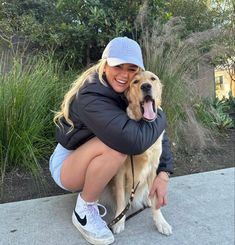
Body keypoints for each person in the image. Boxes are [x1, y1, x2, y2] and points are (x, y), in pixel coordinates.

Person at [49, 37, 173, 245]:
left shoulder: (128, 93)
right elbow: (130, 140)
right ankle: (84, 211)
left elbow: (156, 138)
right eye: (117, 66)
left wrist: (164, 173)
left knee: (122, 146)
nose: (124, 74)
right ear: (105, 65)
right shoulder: (91, 94)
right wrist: (162, 116)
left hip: (89, 158)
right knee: (116, 148)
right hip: (67, 165)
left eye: (131, 68)